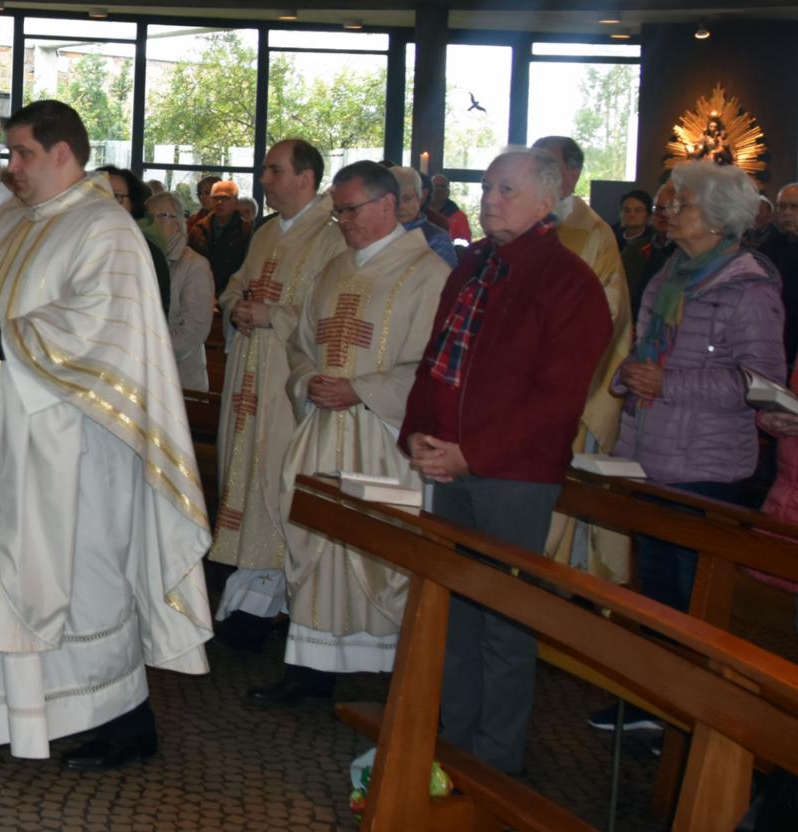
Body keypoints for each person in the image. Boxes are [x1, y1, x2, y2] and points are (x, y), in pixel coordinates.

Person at [0, 100, 211, 770]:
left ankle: (127, 724)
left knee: (79, 586)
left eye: (22, 153)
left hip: (71, 450)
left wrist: (1, 337)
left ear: (63, 153)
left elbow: (105, 334)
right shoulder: (15, 227)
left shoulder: (105, 230)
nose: (12, 167)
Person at [400, 147, 612, 775]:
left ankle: (494, 768)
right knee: (455, 616)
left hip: (513, 474)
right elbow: (437, 360)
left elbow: (557, 401)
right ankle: (453, 747)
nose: (490, 200)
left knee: (504, 622)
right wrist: (417, 432)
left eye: (507, 190)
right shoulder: (474, 266)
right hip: (450, 463)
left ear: (548, 201)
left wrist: (474, 454)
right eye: (488, 188)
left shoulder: (570, 282)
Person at [593, 161, 785, 734]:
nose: (670, 211)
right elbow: (648, 348)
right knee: (654, 592)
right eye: (671, 202)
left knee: (688, 598)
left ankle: (685, 714)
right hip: (649, 452)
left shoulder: (748, 289)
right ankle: (651, 700)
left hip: (705, 465)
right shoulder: (671, 273)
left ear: (719, 217)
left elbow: (763, 383)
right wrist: (630, 374)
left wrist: (667, 382)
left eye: (684, 204)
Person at [251, 162, 451, 705]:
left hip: (381, 437)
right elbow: (302, 345)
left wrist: (361, 389)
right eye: (338, 210)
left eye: (350, 210)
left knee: (376, 552)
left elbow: (431, 366)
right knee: (317, 544)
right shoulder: (335, 268)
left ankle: (393, 673)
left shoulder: (428, 274)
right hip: (325, 431)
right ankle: (310, 669)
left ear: (387, 206)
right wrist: (309, 380)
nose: (342, 220)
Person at [210, 139, 345, 651]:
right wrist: (239, 306)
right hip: (247, 372)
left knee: (276, 480)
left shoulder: (330, 240)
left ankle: (275, 600)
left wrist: (275, 316)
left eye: (274, 170)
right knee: (242, 476)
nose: (263, 179)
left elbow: (327, 316)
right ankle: (250, 596)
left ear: (306, 178)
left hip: (286, 386)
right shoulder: (265, 233)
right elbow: (235, 287)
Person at [529, 136, 634, 583]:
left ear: (572, 174)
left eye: (545, 164)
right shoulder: (525, 223)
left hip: (561, 387)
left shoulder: (593, 234)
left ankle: (559, 586)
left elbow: (606, 315)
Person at [147, 192, 215, 391]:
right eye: (149, 218)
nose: (152, 224)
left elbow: (194, 330)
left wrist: (153, 355)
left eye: (161, 217)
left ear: (178, 223)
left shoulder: (195, 265)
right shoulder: (144, 259)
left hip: (178, 377)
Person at [101, 166, 171, 312]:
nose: (107, 203)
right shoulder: (72, 247)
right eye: (99, 194)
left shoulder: (148, 254)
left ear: (132, 205)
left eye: (117, 197)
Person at [753, 182, 798, 365]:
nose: (786, 212)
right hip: (774, 334)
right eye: (782, 207)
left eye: (794, 207)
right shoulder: (769, 248)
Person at [188, 178, 253, 293]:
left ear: (236, 201)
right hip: (200, 289)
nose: (219, 202)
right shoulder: (198, 229)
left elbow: (250, 268)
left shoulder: (247, 231)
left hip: (232, 293)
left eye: (225, 198)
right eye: (216, 198)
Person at [393, 166, 458, 268]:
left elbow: (447, 279)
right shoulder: (378, 232)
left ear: (421, 197)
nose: (400, 206)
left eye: (408, 198)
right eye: (395, 199)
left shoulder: (436, 239)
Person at [616, 190, 659, 320]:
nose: (632, 215)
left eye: (638, 210)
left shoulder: (655, 244)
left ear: (648, 215)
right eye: (627, 210)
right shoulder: (610, 238)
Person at [429, 173, 472, 243]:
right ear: (429, 190)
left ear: (448, 191)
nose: (438, 190)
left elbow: (465, 245)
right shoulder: (419, 213)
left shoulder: (460, 217)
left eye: (442, 186)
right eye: (435, 186)